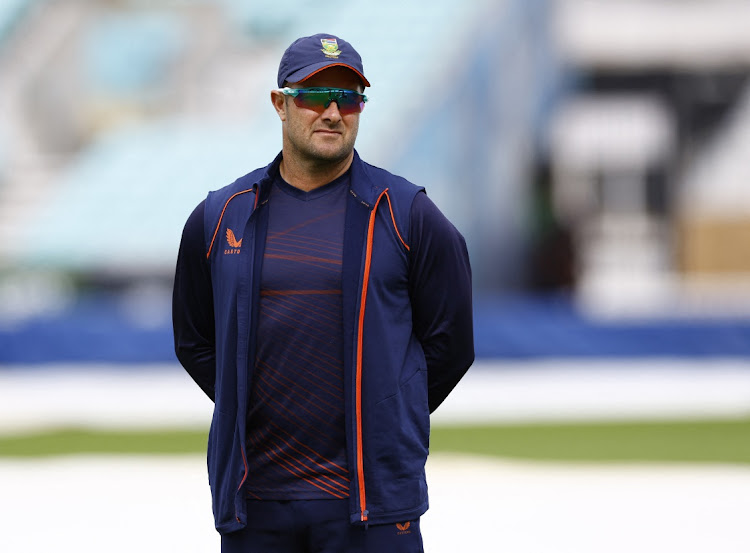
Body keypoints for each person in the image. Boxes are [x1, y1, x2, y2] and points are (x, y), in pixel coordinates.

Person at [172, 33, 474, 553]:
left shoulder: (406, 213)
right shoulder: (220, 216)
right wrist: (246, 402)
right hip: (255, 505)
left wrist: (388, 411)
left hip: (374, 507)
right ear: (280, 103)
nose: (333, 112)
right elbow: (196, 341)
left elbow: (452, 345)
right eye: (315, 96)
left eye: (349, 97)